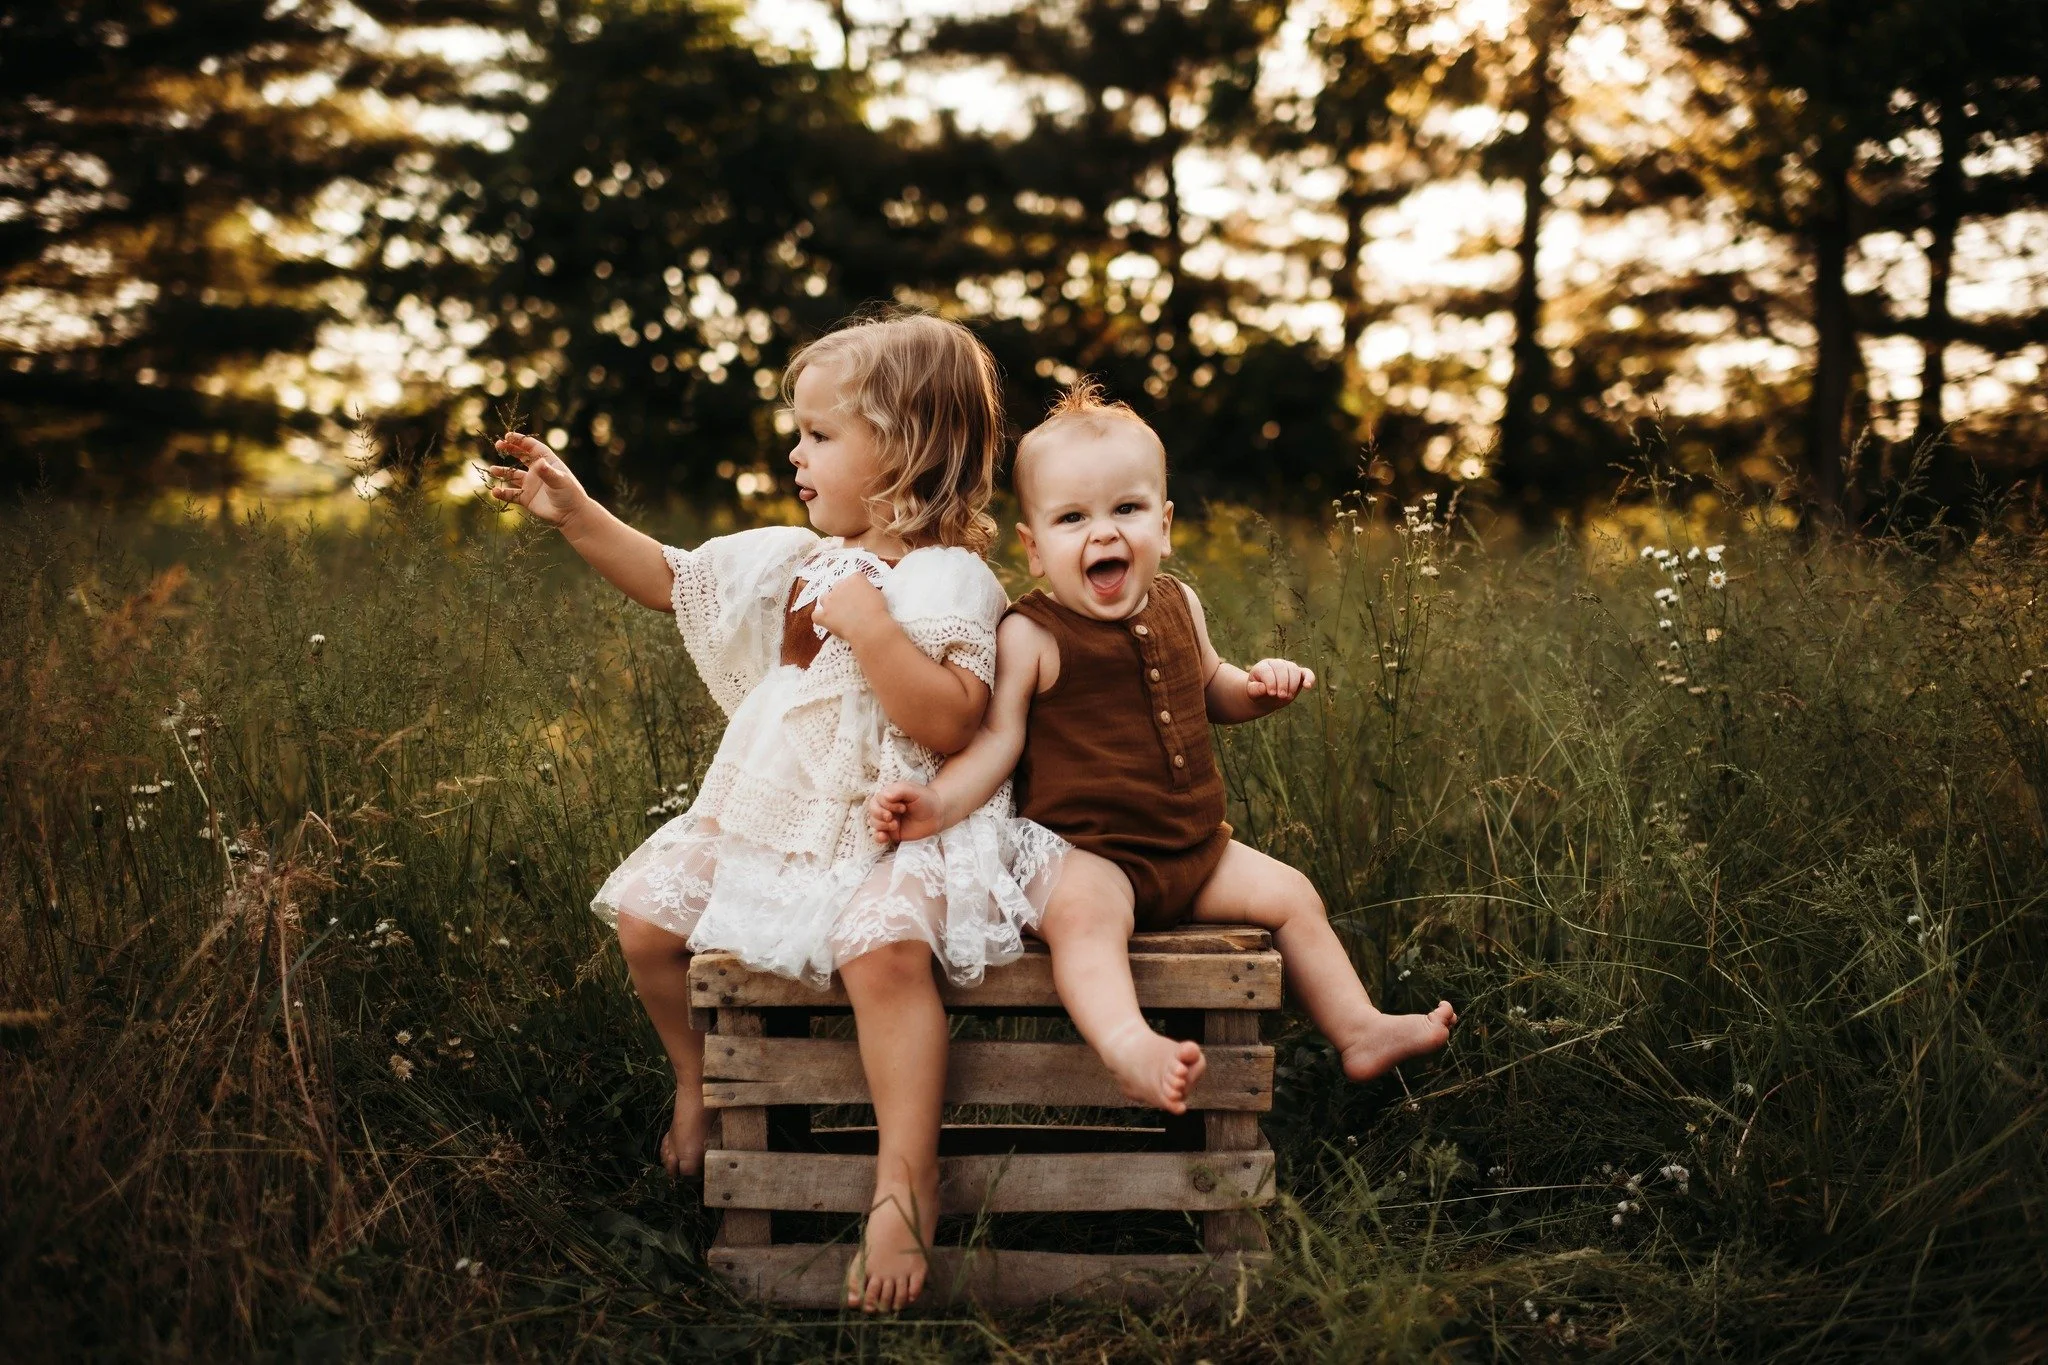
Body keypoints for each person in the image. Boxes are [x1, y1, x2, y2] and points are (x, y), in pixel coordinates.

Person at [488, 313, 1063, 1313]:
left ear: (906, 449)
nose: (795, 453)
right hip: (775, 817)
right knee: (648, 920)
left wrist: (873, 629)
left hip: (896, 823)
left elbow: (951, 718)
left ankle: (904, 1182)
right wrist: (576, 514)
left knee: (880, 951)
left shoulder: (948, 578)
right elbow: (672, 578)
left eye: (820, 435)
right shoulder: (795, 558)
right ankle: (699, 1077)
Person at [867, 381, 1456, 1114]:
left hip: (1193, 849)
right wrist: (935, 805)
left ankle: (1358, 1028)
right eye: (1072, 518)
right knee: (1085, 925)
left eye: (1127, 509)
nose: (1103, 534)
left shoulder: (1181, 602)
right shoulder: (1033, 633)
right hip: (1086, 855)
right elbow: (996, 743)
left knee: (1293, 894)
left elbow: (1213, 684)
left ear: (1166, 525)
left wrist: (1257, 688)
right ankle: (1129, 1047)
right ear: (1035, 548)